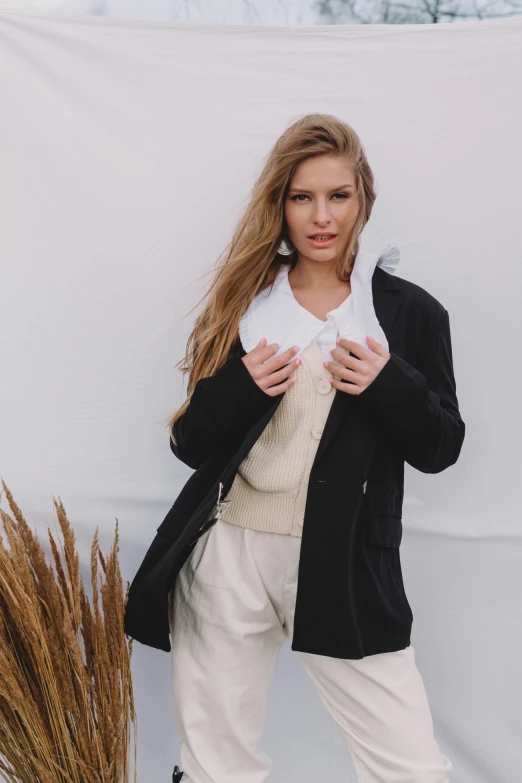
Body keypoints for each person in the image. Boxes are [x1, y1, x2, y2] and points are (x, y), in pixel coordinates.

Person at [124, 113, 465, 783]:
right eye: (302, 196)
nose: (321, 216)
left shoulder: (407, 314)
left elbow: (441, 446)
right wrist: (241, 388)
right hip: (228, 556)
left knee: (410, 767)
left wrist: (387, 384)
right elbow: (189, 442)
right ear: (279, 203)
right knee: (216, 763)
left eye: (338, 195)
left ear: (363, 197)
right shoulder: (244, 302)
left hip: (345, 557)